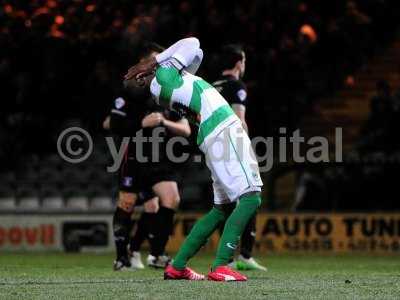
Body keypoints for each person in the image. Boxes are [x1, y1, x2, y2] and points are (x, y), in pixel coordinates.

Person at [125, 37, 263, 281]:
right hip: (223, 127)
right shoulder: (163, 76)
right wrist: (155, 62)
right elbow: (193, 42)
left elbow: (195, 55)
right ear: (143, 76)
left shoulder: (162, 90)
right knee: (251, 197)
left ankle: (177, 266)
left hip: (209, 135)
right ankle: (222, 265)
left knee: (222, 208)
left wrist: (157, 63)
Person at [105, 43, 191, 271]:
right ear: (144, 64)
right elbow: (113, 124)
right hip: (135, 155)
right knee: (128, 204)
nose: (159, 64)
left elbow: (186, 128)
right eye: (155, 60)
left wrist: (164, 122)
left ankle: (157, 254)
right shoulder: (130, 90)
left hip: (160, 156)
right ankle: (122, 257)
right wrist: (141, 124)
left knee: (171, 199)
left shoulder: (169, 91)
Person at [212, 44, 267, 271]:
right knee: (251, 195)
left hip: (212, 148)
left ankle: (230, 257)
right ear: (238, 63)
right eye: (243, 61)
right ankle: (244, 255)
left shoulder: (211, 86)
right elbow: (238, 119)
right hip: (233, 147)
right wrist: (248, 149)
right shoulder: (237, 85)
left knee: (223, 202)